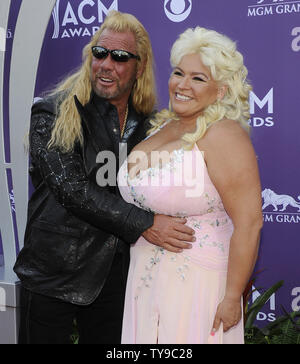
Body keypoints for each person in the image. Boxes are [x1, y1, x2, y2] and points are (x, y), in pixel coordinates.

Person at [13, 11, 195, 345]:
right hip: (54, 273)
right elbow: (71, 189)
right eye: (100, 53)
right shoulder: (54, 111)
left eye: (120, 57)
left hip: (116, 276)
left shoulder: (149, 124)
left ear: (139, 67)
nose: (106, 64)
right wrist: (145, 222)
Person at [118, 26, 263, 344]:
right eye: (178, 73)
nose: (182, 85)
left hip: (199, 287)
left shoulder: (224, 135)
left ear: (221, 90)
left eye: (198, 78)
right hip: (144, 282)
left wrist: (231, 296)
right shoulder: (160, 126)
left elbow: (249, 223)